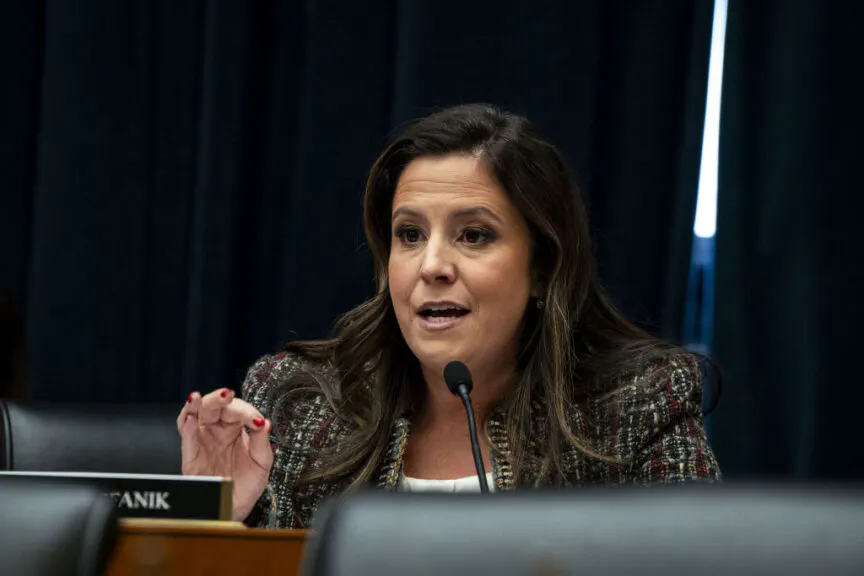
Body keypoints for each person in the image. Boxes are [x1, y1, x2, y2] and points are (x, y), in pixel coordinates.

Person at [177, 103, 721, 529]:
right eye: (409, 235)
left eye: (474, 235)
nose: (432, 265)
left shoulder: (635, 408)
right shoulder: (299, 405)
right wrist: (214, 524)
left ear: (542, 268)